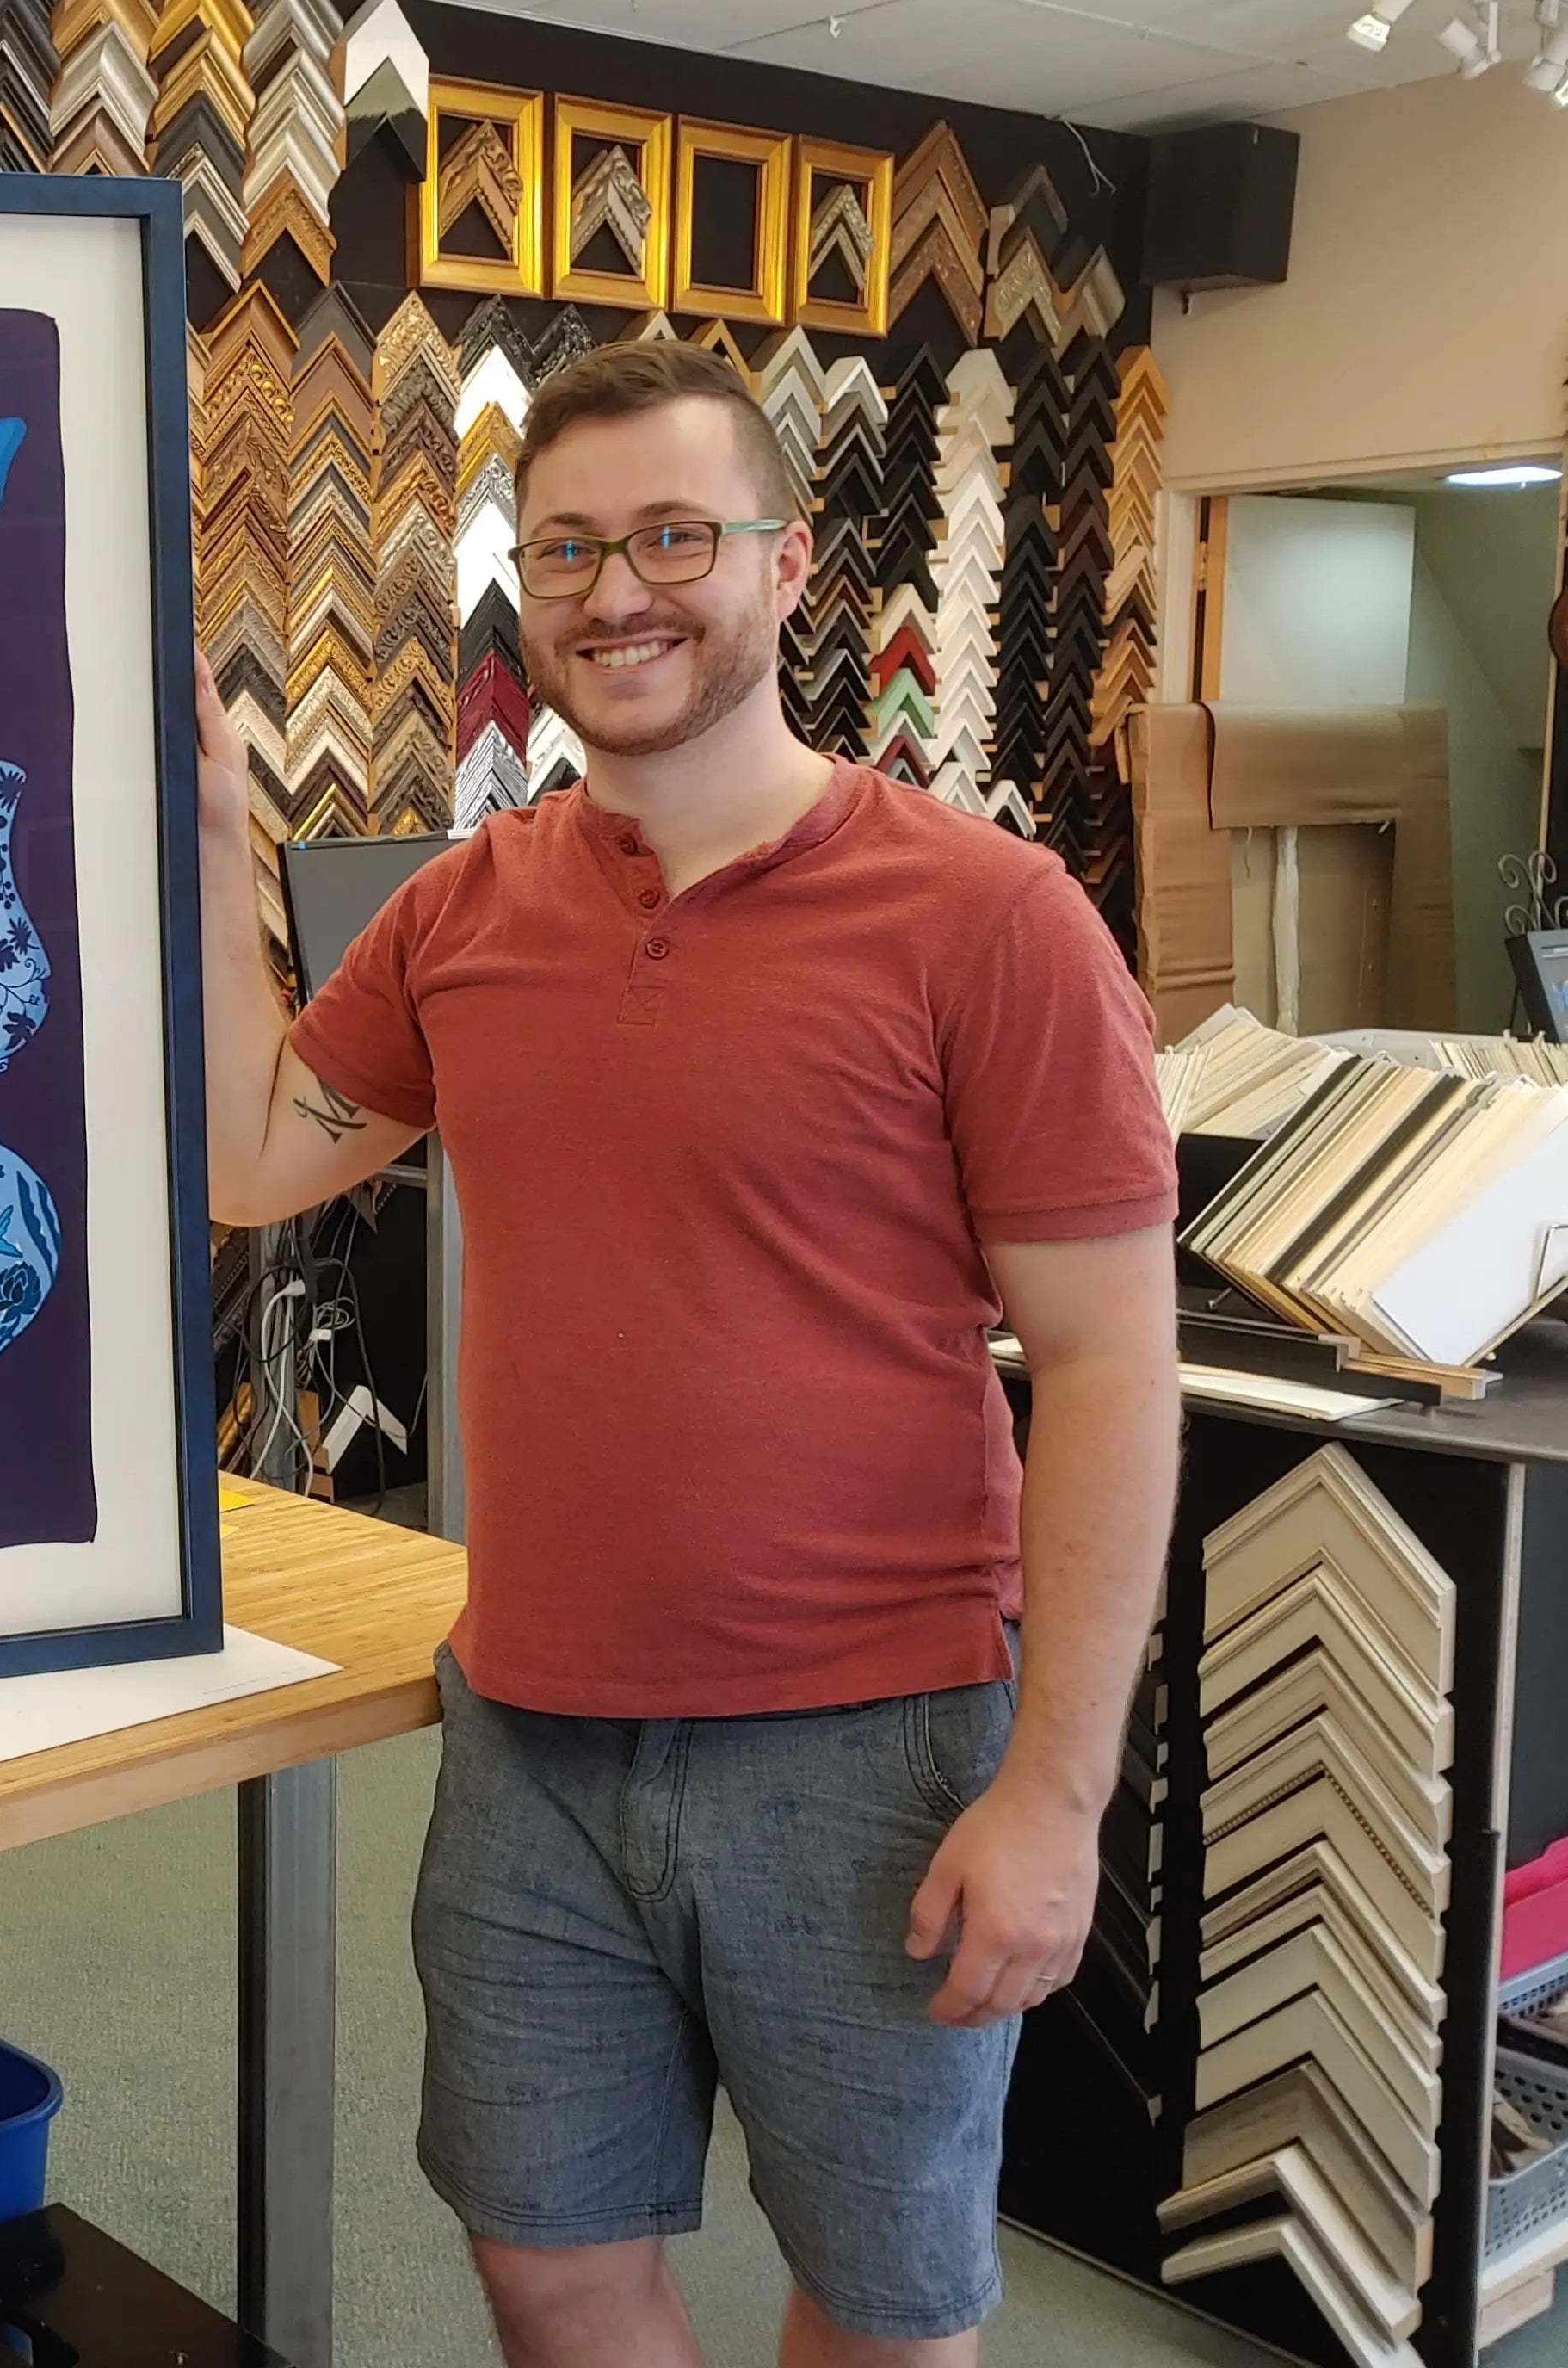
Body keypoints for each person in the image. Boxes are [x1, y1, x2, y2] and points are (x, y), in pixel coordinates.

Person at [194, 339, 1180, 2368]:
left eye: (672, 537)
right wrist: (211, 848)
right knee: (548, 2267)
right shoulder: (469, 911)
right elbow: (250, 1165)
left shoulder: (990, 921)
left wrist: (1058, 1798)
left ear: (786, 563)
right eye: (567, 549)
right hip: (534, 1732)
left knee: (882, 2304)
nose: (616, 592)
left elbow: (1106, 1370)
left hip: (877, 1739)